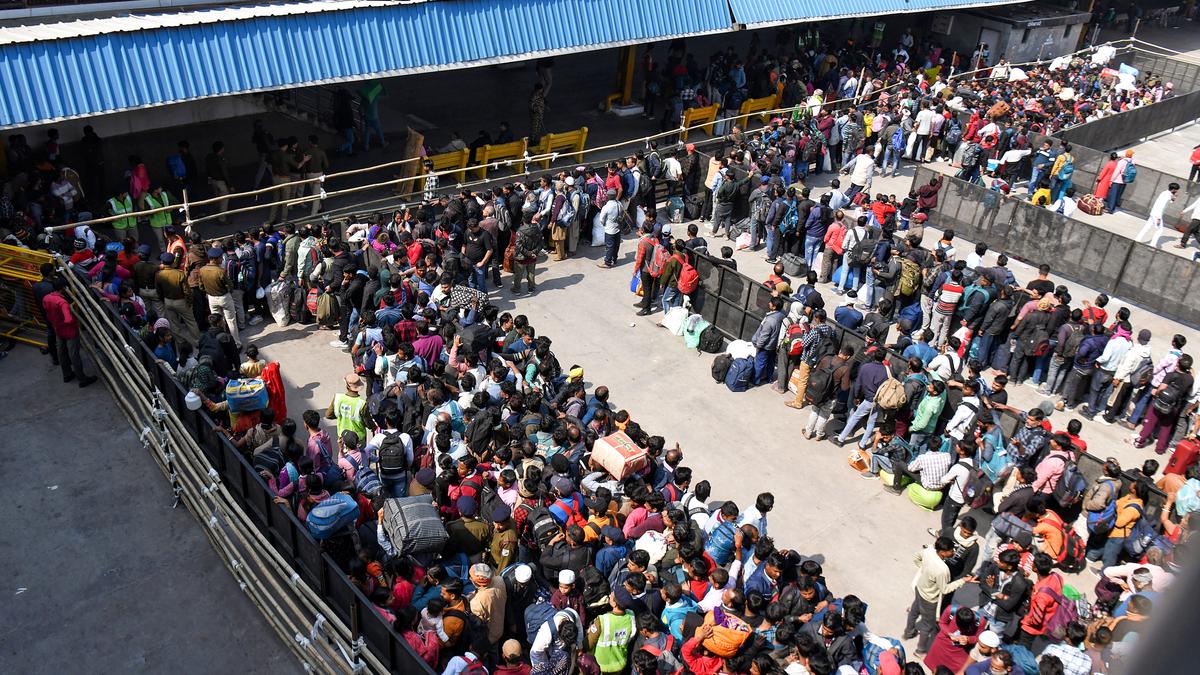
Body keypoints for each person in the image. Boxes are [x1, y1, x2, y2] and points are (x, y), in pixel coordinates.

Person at [42, 275, 98, 388]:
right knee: (74, 354)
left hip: (57, 329)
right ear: (63, 288)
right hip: (69, 331)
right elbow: (68, 319)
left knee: (61, 352)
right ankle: (82, 379)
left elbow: (47, 313)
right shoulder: (63, 303)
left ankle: (66, 374)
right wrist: (71, 320)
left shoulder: (46, 298)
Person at [750, 296, 786, 386]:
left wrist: (758, 345)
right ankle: (769, 378)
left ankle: (756, 380)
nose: (768, 303)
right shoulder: (782, 315)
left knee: (760, 363)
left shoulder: (770, 320)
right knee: (771, 362)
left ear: (774, 307)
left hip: (766, 346)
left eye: (770, 303)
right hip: (774, 345)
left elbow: (764, 336)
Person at [1135, 182, 1179, 249]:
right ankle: (1152, 245)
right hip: (1157, 214)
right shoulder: (1168, 195)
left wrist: (1174, 197)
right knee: (1160, 230)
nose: (1177, 191)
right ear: (1173, 190)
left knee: (1147, 226)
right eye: (1176, 190)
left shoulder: (1164, 193)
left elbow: (1170, 201)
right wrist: (1159, 218)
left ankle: (1137, 239)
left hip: (1153, 213)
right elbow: (1161, 206)